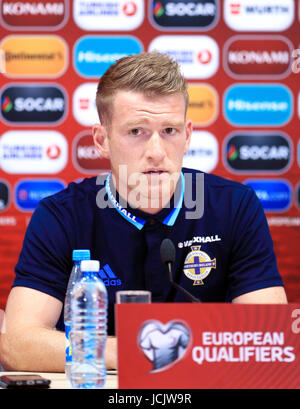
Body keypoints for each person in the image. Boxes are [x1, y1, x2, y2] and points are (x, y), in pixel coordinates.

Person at [0, 52, 287, 372]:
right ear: (101, 140)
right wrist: (143, 351)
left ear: (188, 135)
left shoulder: (235, 207)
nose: (156, 152)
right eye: (136, 132)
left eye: (169, 131)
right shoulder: (62, 215)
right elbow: (18, 344)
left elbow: (270, 338)